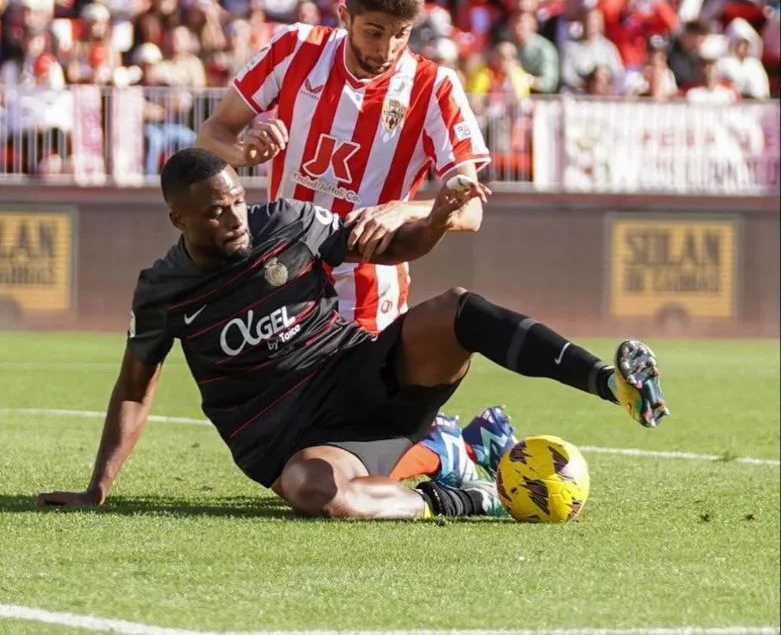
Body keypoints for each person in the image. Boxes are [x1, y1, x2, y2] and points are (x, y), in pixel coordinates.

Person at [38, 149, 669, 519]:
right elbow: (134, 387)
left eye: (235, 200)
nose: (234, 218)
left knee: (456, 309)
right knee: (316, 493)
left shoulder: (286, 221)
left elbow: (392, 246)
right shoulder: (162, 289)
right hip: (289, 438)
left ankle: (609, 383)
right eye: (215, 212)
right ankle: (458, 484)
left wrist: (436, 220)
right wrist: (99, 488)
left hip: (360, 375)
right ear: (178, 218)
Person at [197, 0, 508, 486]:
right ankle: (453, 441)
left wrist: (404, 207)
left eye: (400, 34)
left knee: (335, 465)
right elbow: (213, 134)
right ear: (345, 17)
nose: (385, 49)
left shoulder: (435, 87)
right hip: (285, 282)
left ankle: (446, 449)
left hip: (368, 294)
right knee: (294, 449)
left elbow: (471, 207)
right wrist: (244, 151)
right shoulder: (295, 48)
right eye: (374, 31)